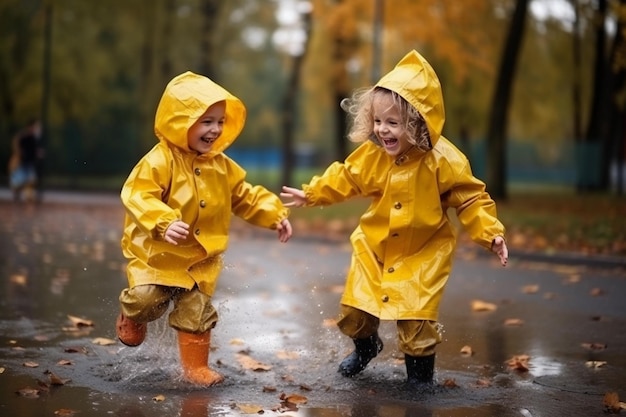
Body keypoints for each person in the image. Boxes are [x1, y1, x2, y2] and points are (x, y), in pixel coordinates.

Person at [281, 50, 508, 385]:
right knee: (356, 311)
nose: (382, 130)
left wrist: (490, 232)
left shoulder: (444, 160)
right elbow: (346, 177)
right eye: (377, 121)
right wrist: (313, 193)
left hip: (423, 253)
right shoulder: (374, 155)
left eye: (393, 123)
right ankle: (366, 347)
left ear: (417, 122)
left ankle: (419, 382)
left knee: (417, 321)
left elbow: (471, 198)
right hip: (374, 247)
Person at [116, 71, 293, 386]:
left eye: (220, 121)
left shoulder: (221, 165)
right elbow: (138, 194)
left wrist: (274, 214)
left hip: (200, 261)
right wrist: (164, 221)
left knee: (196, 314)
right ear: (180, 121)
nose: (215, 129)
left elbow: (244, 195)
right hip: (157, 257)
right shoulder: (160, 160)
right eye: (206, 121)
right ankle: (132, 315)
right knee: (145, 301)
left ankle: (195, 368)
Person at [8, 119, 43, 203]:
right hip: (21, 163)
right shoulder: (23, 137)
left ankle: (29, 196)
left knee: (30, 181)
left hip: (29, 163)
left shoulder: (33, 139)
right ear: (30, 127)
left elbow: (33, 150)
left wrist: (37, 153)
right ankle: (18, 193)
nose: (37, 129)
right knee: (19, 182)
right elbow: (18, 148)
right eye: (35, 127)